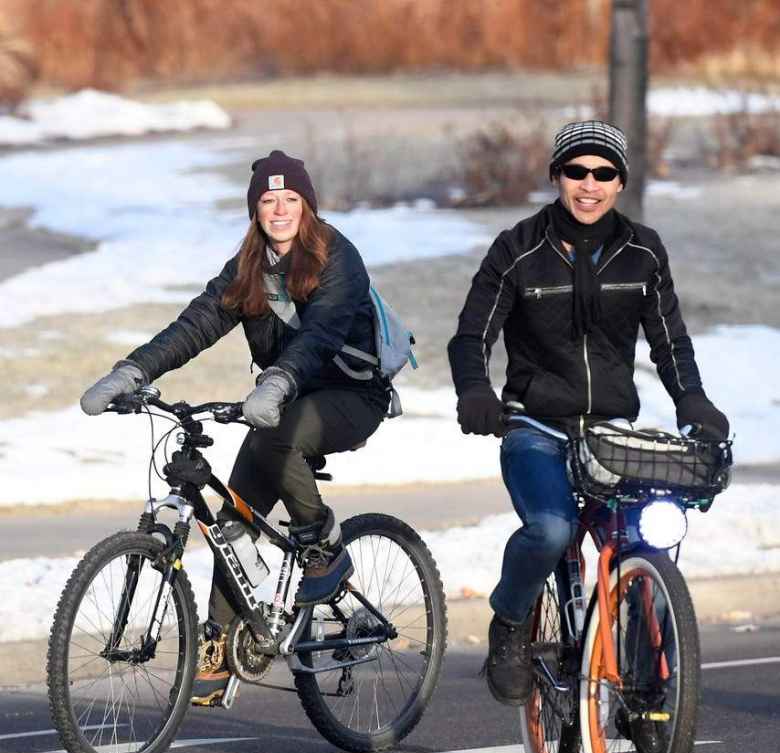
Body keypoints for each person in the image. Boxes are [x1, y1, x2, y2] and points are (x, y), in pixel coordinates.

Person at [81, 150, 390, 705]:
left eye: (290, 199)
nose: (279, 210)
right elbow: (195, 324)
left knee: (281, 435)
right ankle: (219, 647)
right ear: (255, 210)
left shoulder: (338, 257)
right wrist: (131, 371)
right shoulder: (247, 268)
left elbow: (320, 336)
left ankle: (322, 549)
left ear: (307, 205)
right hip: (277, 400)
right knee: (233, 517)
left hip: (347, 394)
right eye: (268, 201)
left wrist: (274, 384)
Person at [448, 120, 729, 708]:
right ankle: (509, 622)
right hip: (534, 428)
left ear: (620, 182)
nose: (589, 184)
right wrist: (475, 390)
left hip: (609, 435)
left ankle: (654, 701)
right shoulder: (517, 247)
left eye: (604, 173)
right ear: (557, 175)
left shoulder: (644, 251)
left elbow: (670, 340)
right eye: (576, 171)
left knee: (646, 547)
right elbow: (472, 333)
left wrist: (693, 401)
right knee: (550, 530)